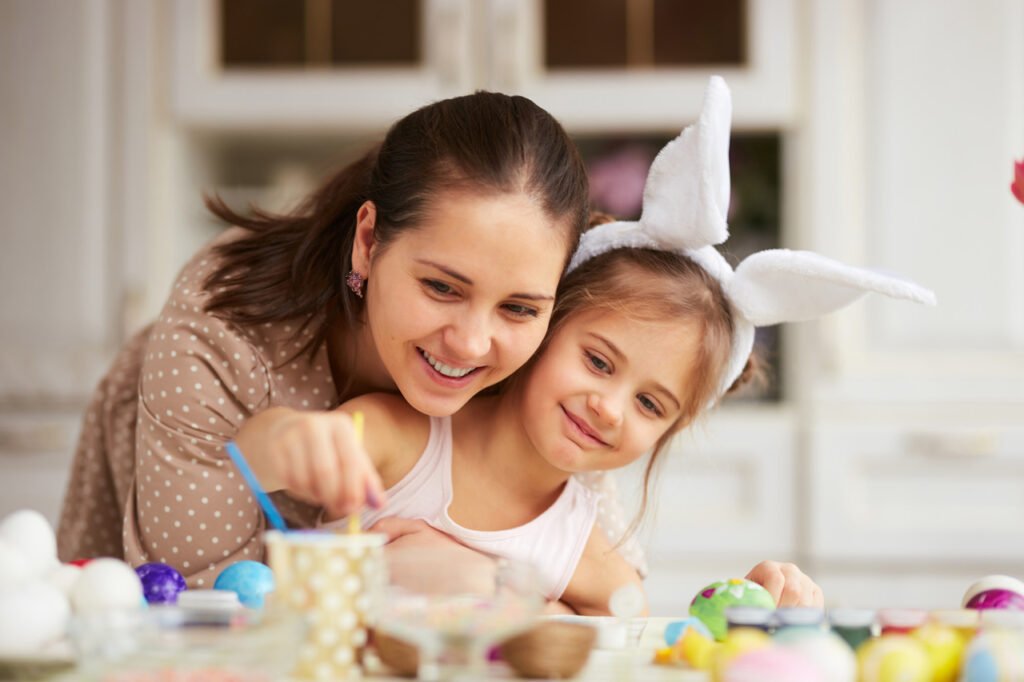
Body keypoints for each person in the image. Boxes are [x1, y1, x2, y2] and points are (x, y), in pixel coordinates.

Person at [318, 77, 936, 614]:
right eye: (597, 361)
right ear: (546, 321)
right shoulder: (396, 436)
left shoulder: (587, 547)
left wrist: (748, 611)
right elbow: (274, 488)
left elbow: (637, 641)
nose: (610, 408)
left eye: (651, 405)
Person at [58, 91, 654, 587]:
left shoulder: (541, 350)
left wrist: (478, 578)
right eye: (443, 288)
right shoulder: (221, 336)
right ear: (368, 242)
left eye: (519, 307)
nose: (472, 344)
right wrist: (415, 581)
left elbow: (610, 591)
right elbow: (203, 601)